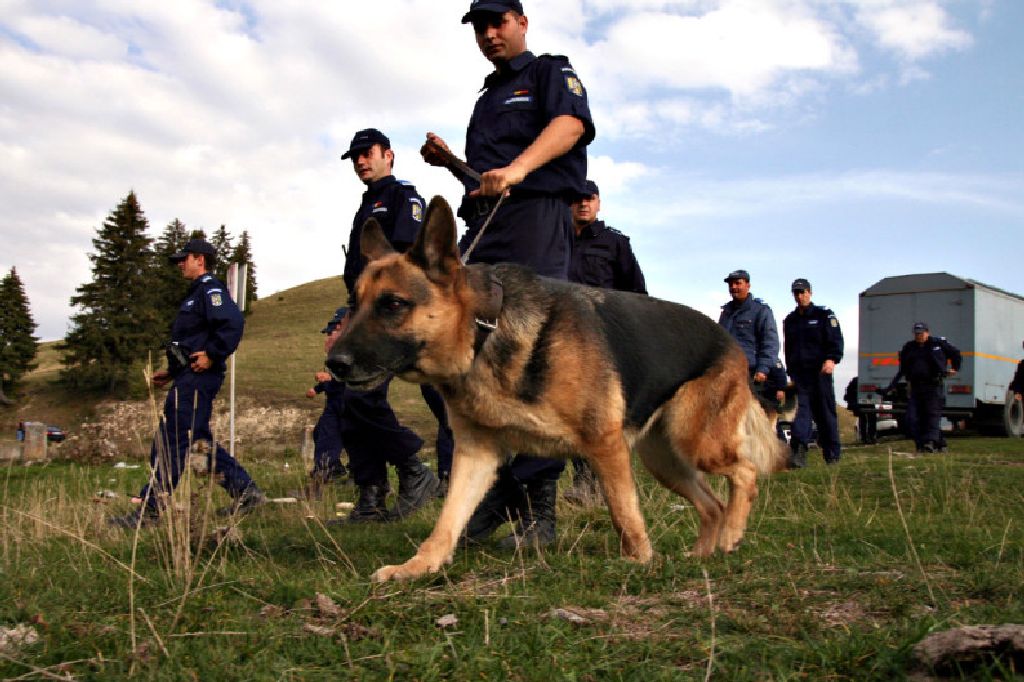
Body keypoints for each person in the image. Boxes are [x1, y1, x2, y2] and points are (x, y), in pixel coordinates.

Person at [421, 0, 595, 549]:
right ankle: (498, 492)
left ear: (522, 22)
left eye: (499, 23)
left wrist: (518, 169)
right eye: (480, 27)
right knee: (475, 354)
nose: (490, 34)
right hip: (486, 226)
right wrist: (450, 163)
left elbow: (570, 125)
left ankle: (538, 506)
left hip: (536, 218)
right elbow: (486, 176)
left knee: (533, 351)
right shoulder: (488, 95)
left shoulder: (549, 70)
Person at [338, 127, 453, 521]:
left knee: (433, 398)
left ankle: (417, 468)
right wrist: (347, 317)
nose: (360, 162)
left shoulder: (404, 196)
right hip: (363, 310)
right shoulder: (365, 205)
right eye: (354, 157)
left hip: (395, 313)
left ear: (389, 155)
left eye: (366, 153)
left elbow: (407, 257)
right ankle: (371, 495)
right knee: (350, 399)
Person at [110, 239, 265, 528]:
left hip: (199, 377)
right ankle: (245, 491)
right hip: (188, 375)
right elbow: (192, 341)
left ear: (200, 260)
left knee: (172, 437)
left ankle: (151, 509)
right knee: (196, 442)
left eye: (185, 259)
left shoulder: (210, 289)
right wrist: (170, 372)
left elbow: (232, 323)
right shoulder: (196, 293)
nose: (181, 264)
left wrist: (213, 354)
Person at [564, 179, 646, 504]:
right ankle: (585, 481)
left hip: (607, 340)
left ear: (598, 203)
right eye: (577, 199)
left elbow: (637, 293)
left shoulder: (615, 244)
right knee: (572, 411)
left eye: (590, 199)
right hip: (566, 339)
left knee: (603, 413)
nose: (584, 204)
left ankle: (606, 482)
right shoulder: (555, 241)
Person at [783, 278, 844, 467]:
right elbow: (789, 348)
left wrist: (831, 359)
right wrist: (790, 370)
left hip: (820, 373)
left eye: (803, 292)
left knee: (825, 414)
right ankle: (799, 453)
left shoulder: (824, 316)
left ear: (810, 293)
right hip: (800, 376)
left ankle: (832, 454)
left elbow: (835, 340)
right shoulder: (790, 320)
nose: (800, 296)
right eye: (796, 293)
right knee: (801, 413)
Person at [294, 307, 351, 499]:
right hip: (335, 403)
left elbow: (346, 378)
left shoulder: (350, 350)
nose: (329, 335)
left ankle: (318, 485)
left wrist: (330, 379)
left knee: (327, 441)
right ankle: (338, 472)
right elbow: (329, 379)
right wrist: (317, 388)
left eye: (333, 330)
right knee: (322, 434)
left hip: (343, 404)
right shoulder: (336, 353)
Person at [885, 322, 962, 453]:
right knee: (912, 418)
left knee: (931, 415)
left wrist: (954, 368)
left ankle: (929, 443)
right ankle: (934, 443)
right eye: (917, 333)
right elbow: (902, 369)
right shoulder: (909, 348)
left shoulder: (937, 344)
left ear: (927, 332)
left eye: (921, 333)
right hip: (915, 387)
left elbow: (955, 354)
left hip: (933, 385)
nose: (919, 335)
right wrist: (892, 386)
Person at [844, 377, 878, 445]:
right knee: (870, 417)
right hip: (863, 403)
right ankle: (870, 437)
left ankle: (865, 437)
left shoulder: (856, 380)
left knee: (864, 419)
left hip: (860, 403)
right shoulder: (868, 381)